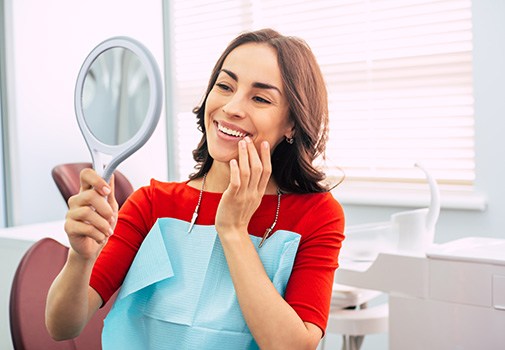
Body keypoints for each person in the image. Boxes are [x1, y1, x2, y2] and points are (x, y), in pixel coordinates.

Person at [46, 28, 345, 349]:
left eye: (260, 98)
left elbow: (292, 346)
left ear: (291, 124)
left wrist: (232, 230)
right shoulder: (152, 203)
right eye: (225, 86)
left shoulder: (318, 215)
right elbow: (62, 325)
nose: (231, 107)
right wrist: (79, 258)